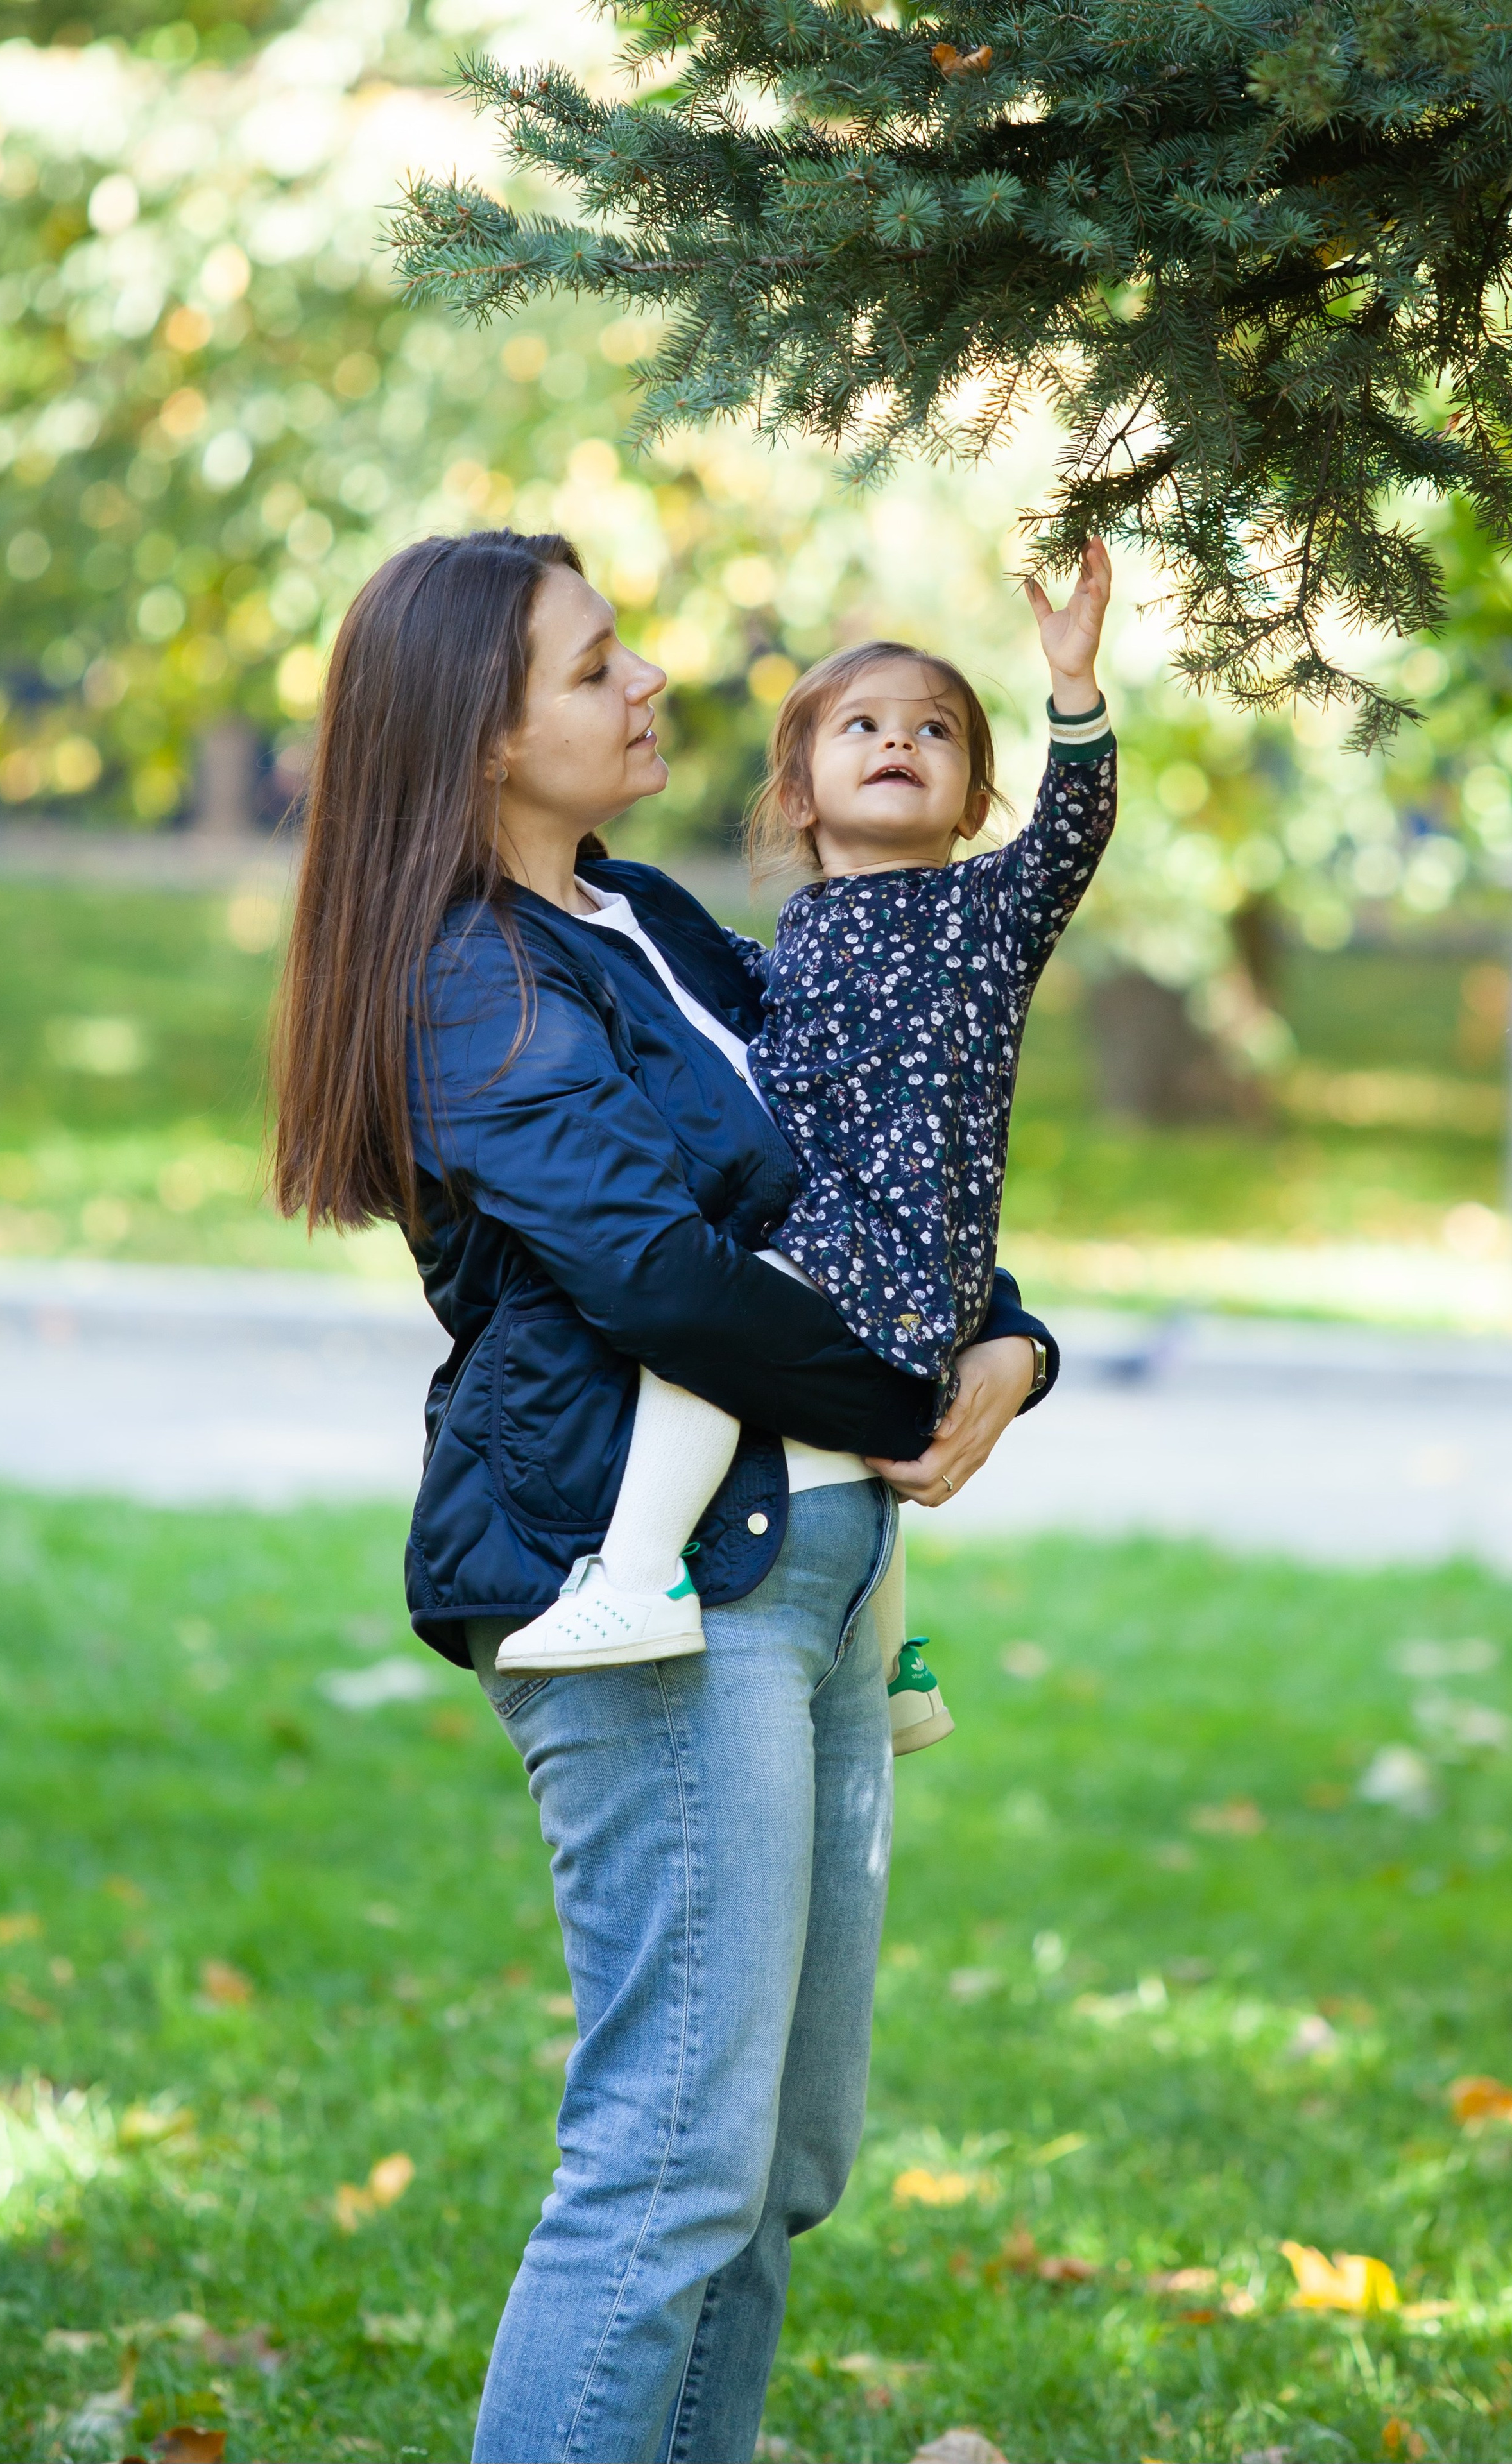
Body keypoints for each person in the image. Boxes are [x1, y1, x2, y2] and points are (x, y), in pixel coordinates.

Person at [272, 527, 1064, 2464]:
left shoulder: (645, 922)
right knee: (669, 2170)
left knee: (778, 2162)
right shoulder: (469, 977)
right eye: (596, 665)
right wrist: (904, 1381)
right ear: (478, 738)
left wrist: (1012, 1348)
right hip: (646, 1597)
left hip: (820, 1574)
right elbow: (657, 1271)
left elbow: (876, 1151)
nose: (649, 687)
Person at [498, 550, 1115, 1767]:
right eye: (865, 728)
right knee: (853, 1445)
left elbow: (1075, 834)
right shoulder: (787, 939)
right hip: (862, 1239)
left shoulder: (984, 916)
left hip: (881, 1243)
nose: (901, 744)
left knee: (706, 1359)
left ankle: (635, 1573)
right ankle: (892, 1672)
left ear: (973, 800)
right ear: (797, 796)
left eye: (935, 732)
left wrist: (1075, 690)